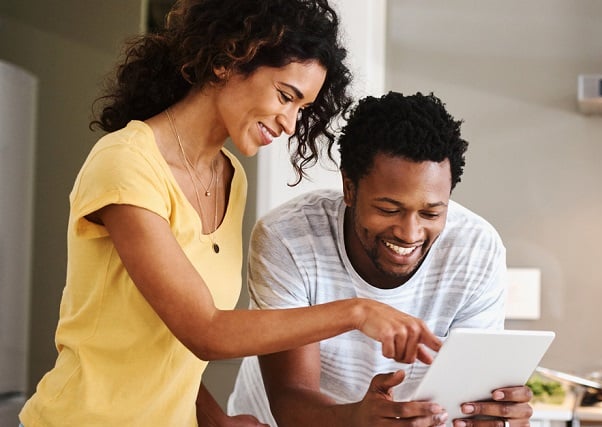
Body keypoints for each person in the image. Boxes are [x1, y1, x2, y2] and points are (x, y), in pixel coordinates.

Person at [18, 2, 441, 426]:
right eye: (285, 96)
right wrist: (357, 311)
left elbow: (168, 342)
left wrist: (218, 421)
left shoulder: (228, 175)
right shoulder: (126, 163)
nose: (292, 123)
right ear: (228, 59)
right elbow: (205, 331)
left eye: (302, 108)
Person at [227, 91, 534, 427]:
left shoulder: (476, 248)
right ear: (349, 187)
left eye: (431, 213)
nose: (409, 232)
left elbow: (466, 397)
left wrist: (491, 416)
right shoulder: (289, 237)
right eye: (389, 210)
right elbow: (290, 398)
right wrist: (355, 419)